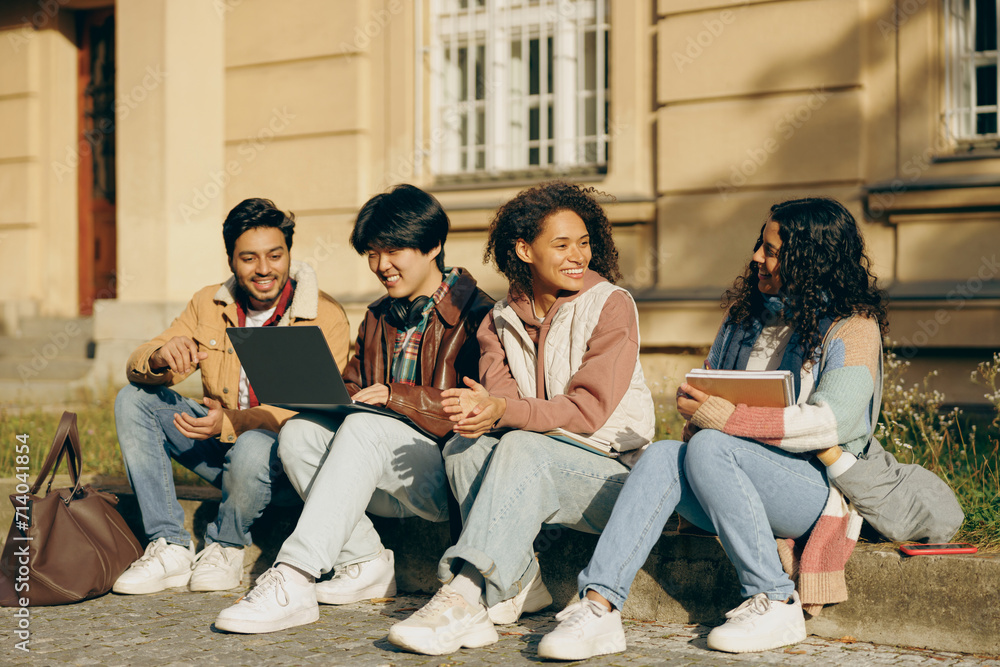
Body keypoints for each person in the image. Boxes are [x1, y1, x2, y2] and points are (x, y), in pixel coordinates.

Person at [535, 196, 888, 660]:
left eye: (773, 250)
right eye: (760, 245)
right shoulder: (744, 321)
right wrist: (695, 403)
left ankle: (777, 599)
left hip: (812, 489)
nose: (757, 257)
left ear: (811, 261)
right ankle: (599, 605)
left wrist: (728, 420)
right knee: (664, 454)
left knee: (713, 445)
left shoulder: (853, 328)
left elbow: (831, 422)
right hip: (727, 472)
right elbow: (711, 394)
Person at [387, 181, 655, 655]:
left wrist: (503, 411)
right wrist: (482, 412)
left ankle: (464, 595)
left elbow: (586, 411)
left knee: (521, 445)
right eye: (561, 244)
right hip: (534, 464)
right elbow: (505, 403)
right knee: (464, 448)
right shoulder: (498, 319)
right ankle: (520, 584)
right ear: (523, 249)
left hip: (613, 476)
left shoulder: (611, 305)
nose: (578, 255)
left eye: (584, 242)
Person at [213, 184, 495, 634]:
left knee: (368, 427)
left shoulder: (479, 314)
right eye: (371, 253)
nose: (381, 265)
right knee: (299, 433)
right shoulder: (379, 315)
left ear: (434, 245)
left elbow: (483, 410)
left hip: (442, 476)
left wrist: (396, 396)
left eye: (394, 250)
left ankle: (295, 576)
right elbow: (355, 389)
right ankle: (364, 561)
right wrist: (323, 396)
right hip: (377, 473)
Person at [113, 198, 351, 595]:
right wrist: (160, 357)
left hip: (284, 469)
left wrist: (236, 422)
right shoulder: (209, 302)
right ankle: (169, 544)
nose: (264, 270)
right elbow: (144, 357)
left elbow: (312, 412)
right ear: (231, 260)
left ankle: (226, 544)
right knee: (133, 399)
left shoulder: (323, 315)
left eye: (275, 256)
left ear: (289, 254)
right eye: (249, 258)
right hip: (218, 446)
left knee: (255, 444)